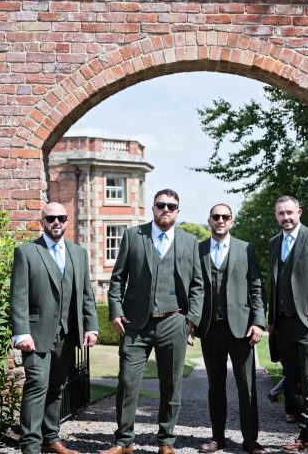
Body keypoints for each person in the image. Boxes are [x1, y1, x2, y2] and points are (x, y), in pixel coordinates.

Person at [100, 189, 204, 454]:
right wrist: (115, 310)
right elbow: (117, 278)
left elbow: (197, 285)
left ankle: (167, 441)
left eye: (171, 206)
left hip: (174, 321)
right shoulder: (134, 236)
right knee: (127, 381)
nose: (166, 210)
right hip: (135, 323)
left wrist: (190, 320)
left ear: (178, 211)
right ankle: (124, 441)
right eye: (161, 205)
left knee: (171, 384)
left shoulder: (190, 241)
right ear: (153, 208)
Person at [9, 202, 100, 454]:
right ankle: (30, 444)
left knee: (57, 386)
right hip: (36, 334)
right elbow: (18, 296)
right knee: (37, 383)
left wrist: (91, 326)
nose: (56, 222)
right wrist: (21, 332)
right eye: (51, 219)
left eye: (61, 218)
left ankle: (51, 438)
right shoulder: (27, 252)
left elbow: (86, 294)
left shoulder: (78, 253)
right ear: (42, 222)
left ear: (67, 221)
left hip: (68, 333)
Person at [196, 204, 266, 454]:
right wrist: (192, 321)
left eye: (225, 217)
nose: (221, 220)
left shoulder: (246, 249)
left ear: (232, 221)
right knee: (215, 386)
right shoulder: (199, 249)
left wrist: (258, 321)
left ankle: (250, 440)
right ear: (210, 220)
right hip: (210, 329)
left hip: (242, 329)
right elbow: (193, 288)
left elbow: (256, 288)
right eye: (216, 216)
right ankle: (217, 437)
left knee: (247, 387)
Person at [267, 196, 308, 452]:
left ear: (299, 213)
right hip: (283, 326)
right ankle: (305, 437)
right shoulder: (274, 243)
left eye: (290, 212)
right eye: (281, 213)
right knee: (293, 384)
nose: (286, 218)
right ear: (276, 215)